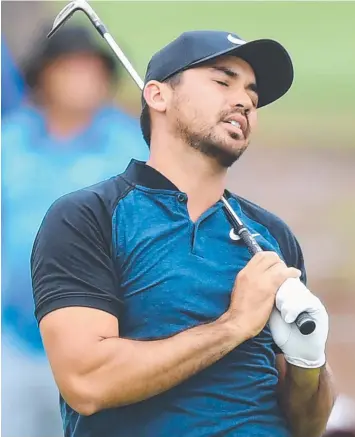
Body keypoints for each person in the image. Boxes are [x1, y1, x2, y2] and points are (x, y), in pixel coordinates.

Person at [31, 30, 335, 437]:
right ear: (157, 96)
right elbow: (87, 382)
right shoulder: (88, 217)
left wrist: (308, 361)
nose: (243, 100)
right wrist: (232, 326)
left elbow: (309, 426)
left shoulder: (272, 237)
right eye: (222, 82)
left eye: (252, 94)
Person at [2, 24, 148, 437]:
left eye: (91, 70)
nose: (83, 81)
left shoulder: (134, 147)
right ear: (43, 77)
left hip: (102, 346)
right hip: (15, 340)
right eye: (70, 69)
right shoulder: (10, 142)